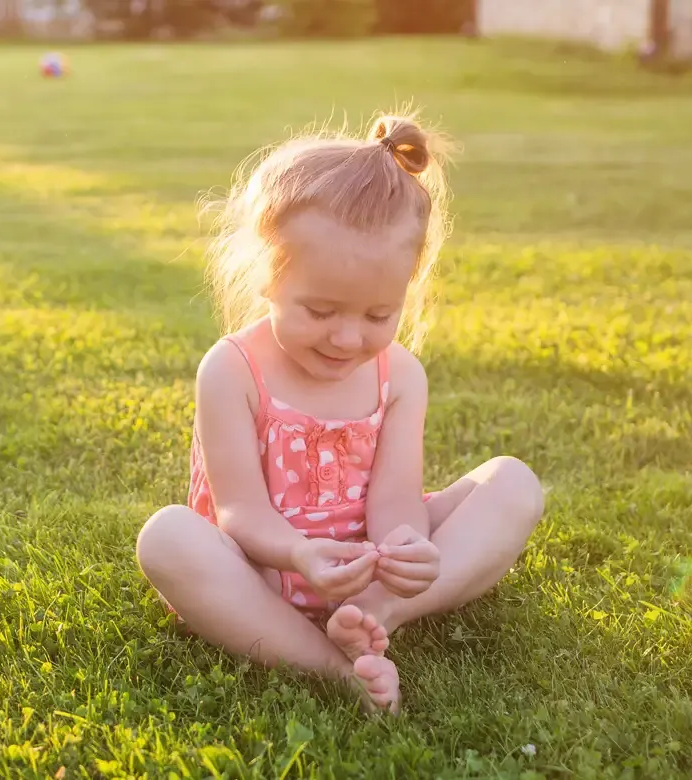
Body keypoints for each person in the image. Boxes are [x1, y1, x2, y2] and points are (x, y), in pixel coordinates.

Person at [135, 115, 545, 712]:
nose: (349, 339)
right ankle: (332, 667)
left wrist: (404, 549)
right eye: (322, 311)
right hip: (262, 576)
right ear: (267, 279)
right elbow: (239, 511)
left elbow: (396, 498)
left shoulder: (400, 375)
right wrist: (300, 554)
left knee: (513, 483)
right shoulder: (231, 370)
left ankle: (373, 619)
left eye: (379, 315)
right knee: (166, 537)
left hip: (367, 575)